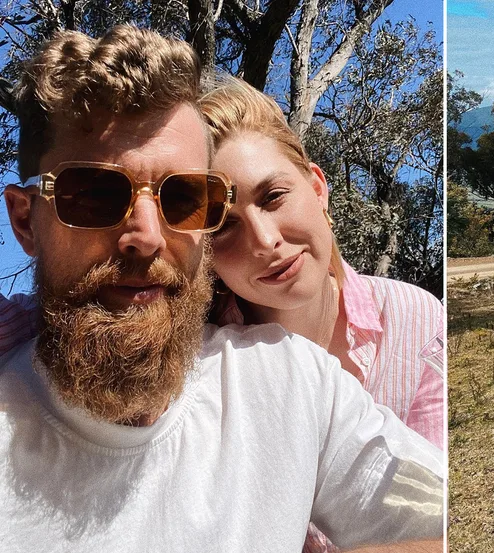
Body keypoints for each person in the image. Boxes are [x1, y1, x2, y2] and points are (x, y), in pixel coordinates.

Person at [0, 25, 443, 552]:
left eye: (183, 198)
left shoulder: (290, 381)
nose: (145, 237)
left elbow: (436, 518)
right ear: (26, 223)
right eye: (95, 194)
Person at [199, 76, 445, 552]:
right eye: (225, 226)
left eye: (273, 197)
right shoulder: (200, 366)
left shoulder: (415, 319)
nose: (265, 240)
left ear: (317, 187)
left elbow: (435, 517)